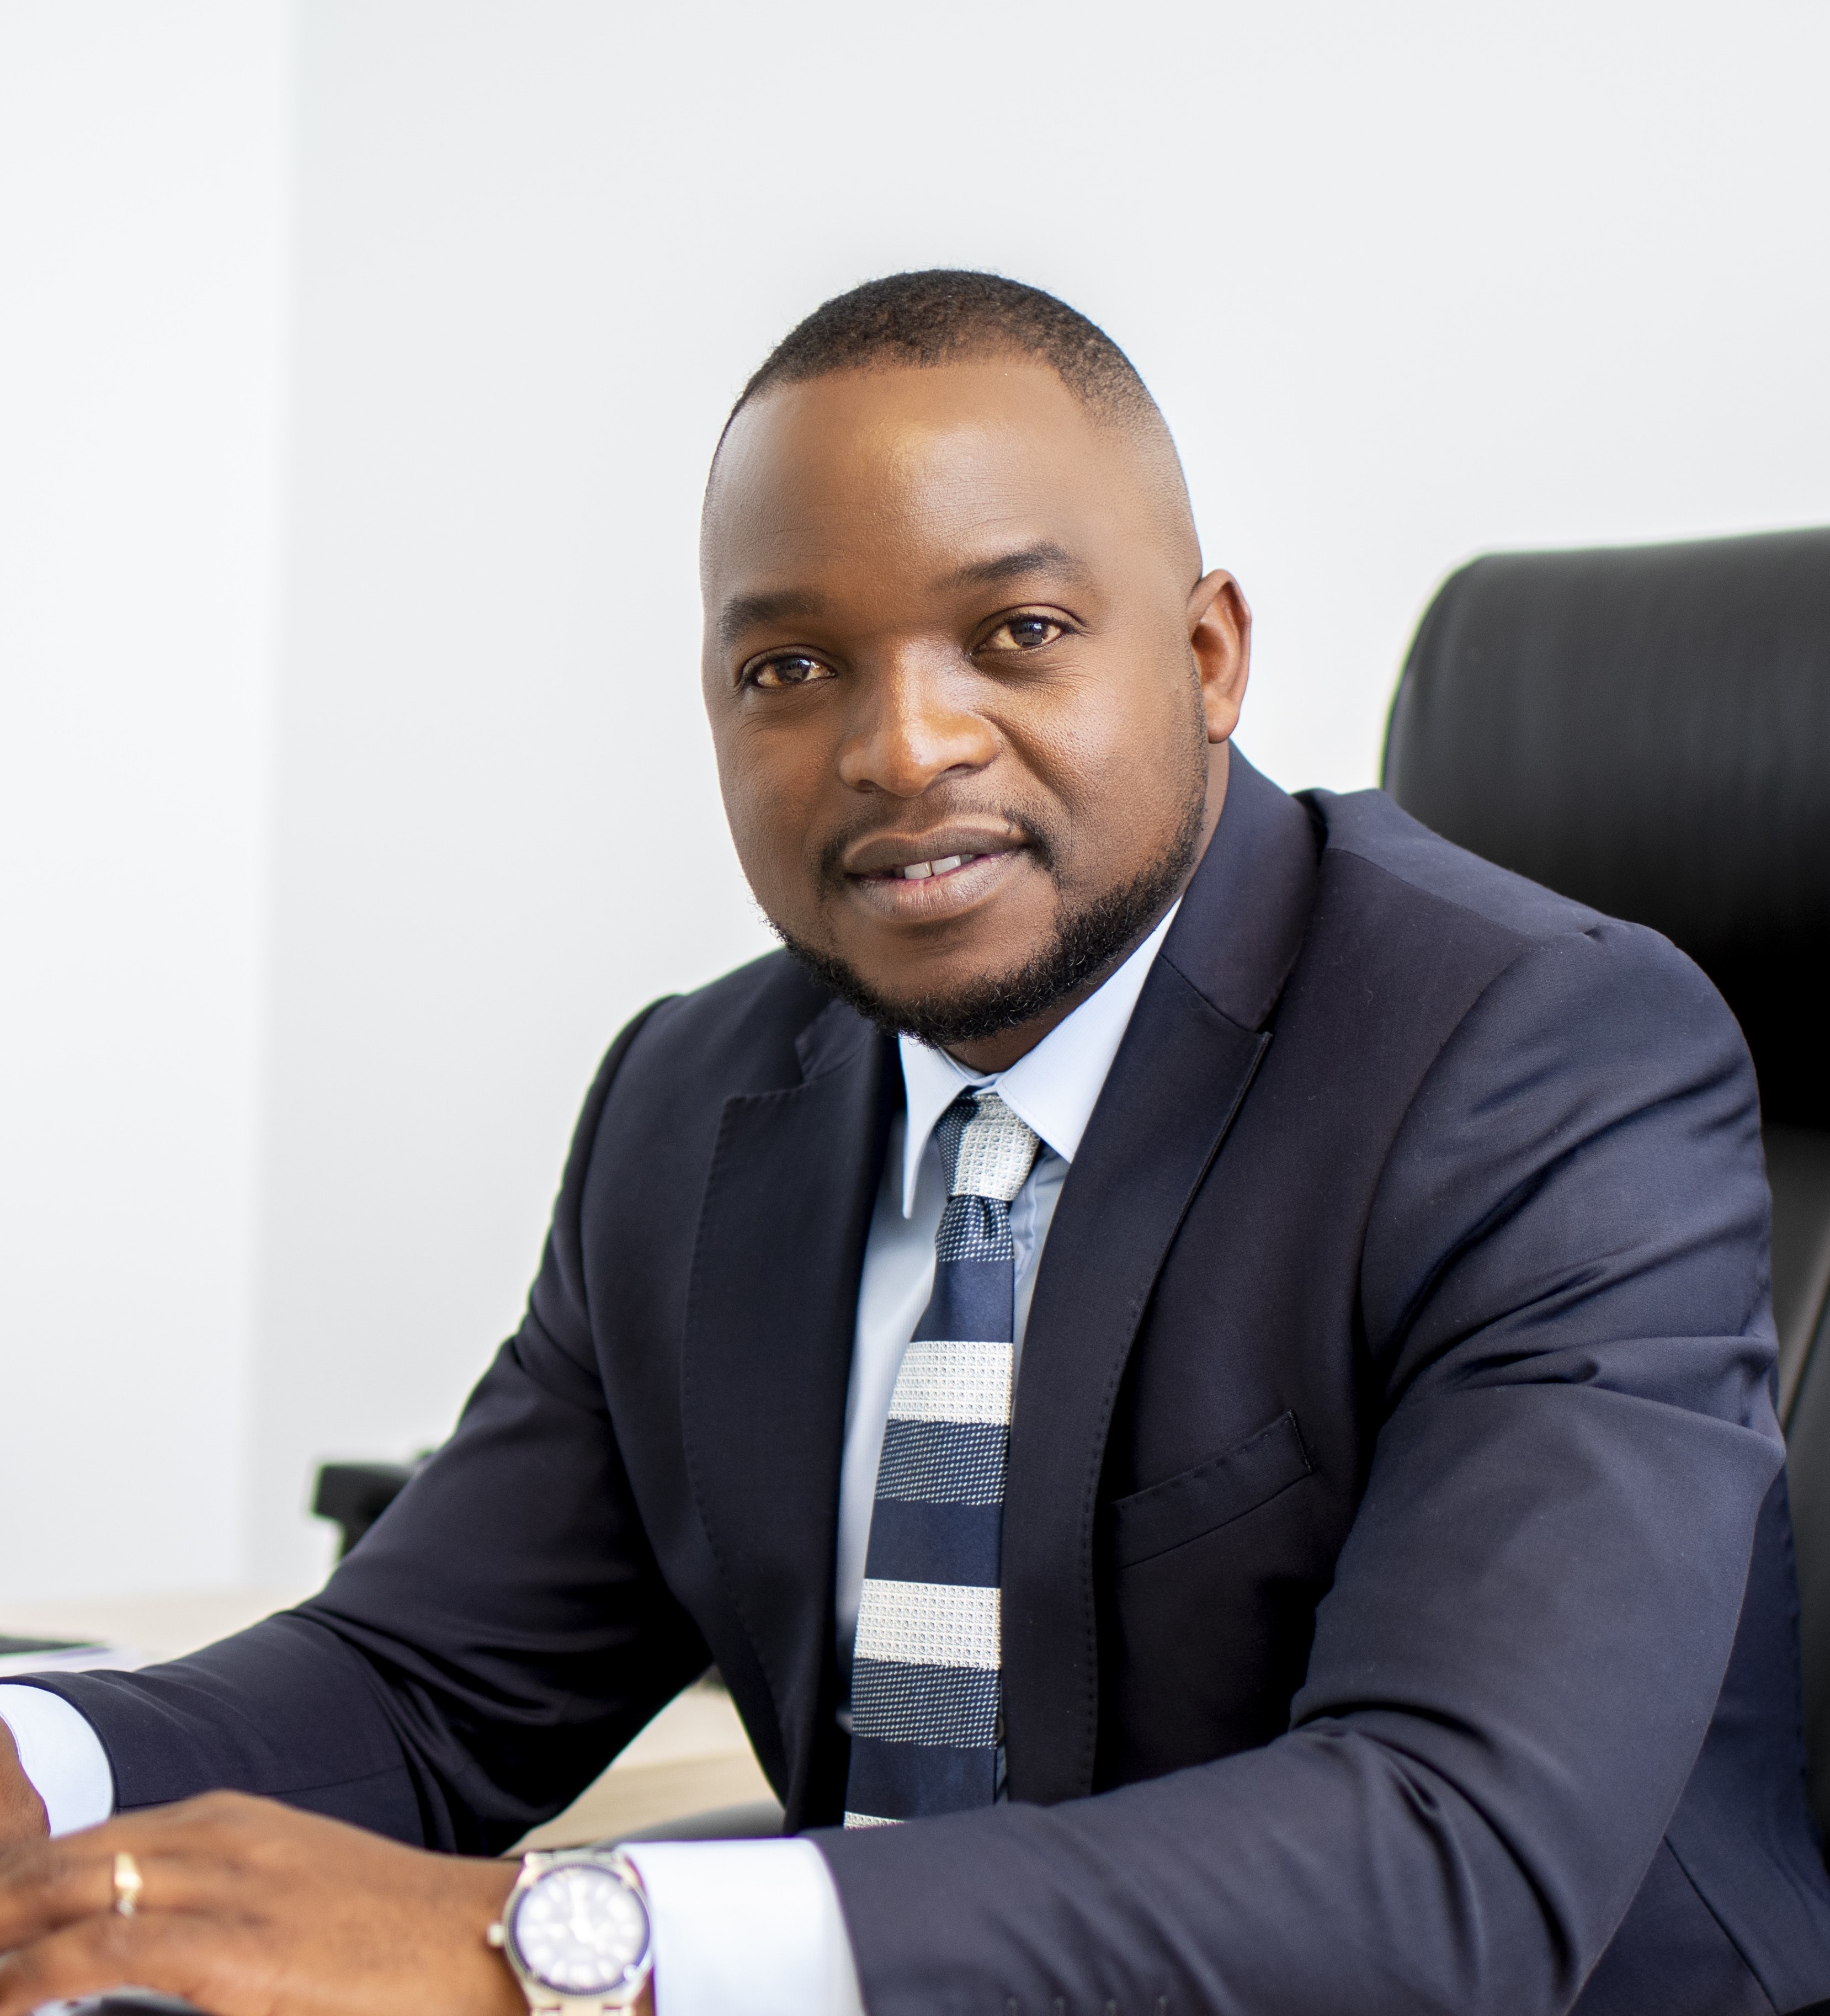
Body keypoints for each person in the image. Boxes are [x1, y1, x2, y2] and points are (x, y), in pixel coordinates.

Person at [2, 270, 1827, 2016]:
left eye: (1014, 635)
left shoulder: (1537, 1057)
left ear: (1205, 656)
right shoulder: (690, 1101)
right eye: (790, 666)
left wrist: (551, 1948)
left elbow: (1448, 1864)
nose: (901, 744)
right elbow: (423, 1683)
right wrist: (39, 1767)